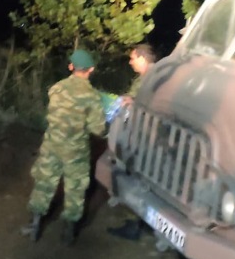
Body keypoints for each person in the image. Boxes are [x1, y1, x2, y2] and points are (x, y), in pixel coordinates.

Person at [23, 49, 106, 245]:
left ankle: (35, 226)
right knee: (75, 187)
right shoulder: (92, 96)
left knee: (44, 182)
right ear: (91, 69)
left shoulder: (56, 88)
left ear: (71, 67)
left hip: (52, 144)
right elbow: (98, 129)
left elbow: (51, 115)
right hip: (75, 149)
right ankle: (69, 232)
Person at [107, 43, 157, 241]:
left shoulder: (152, 78)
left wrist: (133, 102)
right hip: (144, 137)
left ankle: (134, 224)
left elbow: (155, 105)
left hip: (144, 138)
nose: (130, 62)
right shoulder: (152, 77)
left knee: (133, 176)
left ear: (142, 58)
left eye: (133, 58)